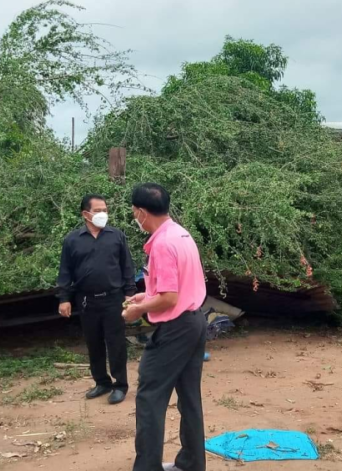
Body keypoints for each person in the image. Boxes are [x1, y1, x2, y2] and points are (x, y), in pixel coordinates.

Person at [122, 183, 207, 471]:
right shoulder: (181, 234)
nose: (135, 218)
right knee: (189, 397)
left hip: (175, 328)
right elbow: (175, 289)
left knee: (149, 398)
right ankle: (192, 463)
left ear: (142, 212)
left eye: (134, 213)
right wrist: (144, 295)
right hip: (195, 321)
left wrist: (138, 309)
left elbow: (169, 298)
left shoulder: (161, 244)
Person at [57, 194, 137, 405]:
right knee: (94, 343)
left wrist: (130, 293)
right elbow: (65, 271)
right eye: (98, 211)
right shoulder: (72, 240)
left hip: (114, 299)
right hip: (86, 301)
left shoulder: (116, 236)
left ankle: (120, 385)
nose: (103, 214)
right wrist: (64, 298)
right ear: (85, 214)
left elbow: (127, 267)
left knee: (116, 343)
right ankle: (102, 382)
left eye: (105, 210)